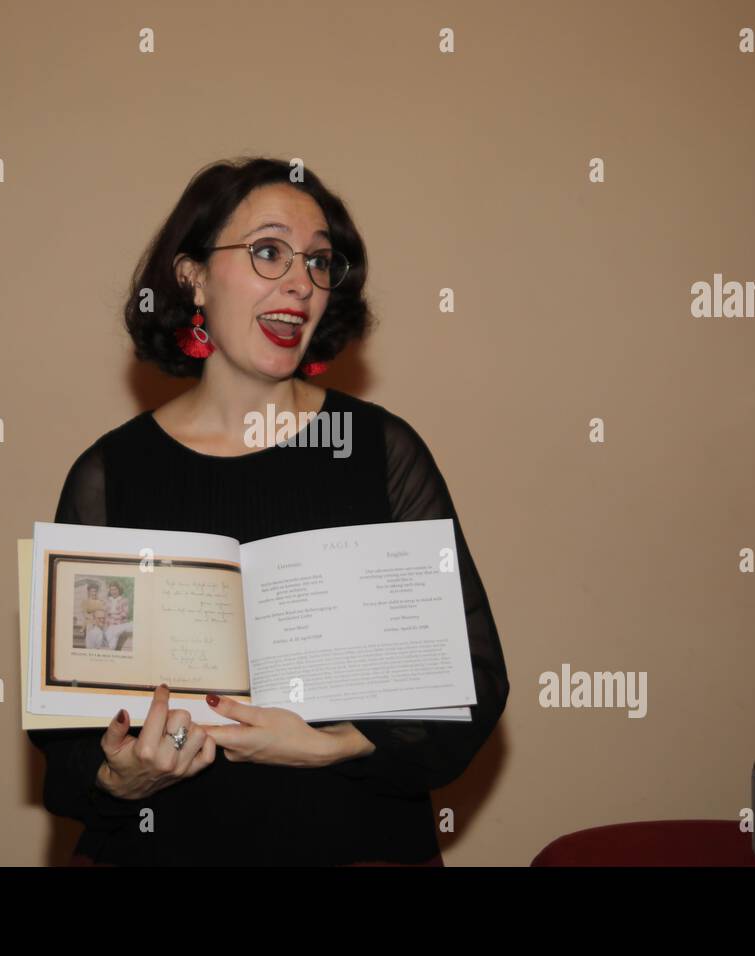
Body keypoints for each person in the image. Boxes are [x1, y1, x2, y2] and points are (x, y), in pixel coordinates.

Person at [28, 157, 509, 865]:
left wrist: (334, 743)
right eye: (268, 251)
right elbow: (66, 743)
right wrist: (119, 777)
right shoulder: (111, 474)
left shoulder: (377, 449)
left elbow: (473, 679)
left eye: (319, 262)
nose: (300, 281)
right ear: (191, 274)